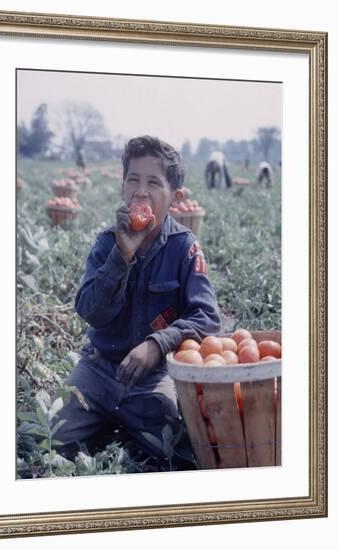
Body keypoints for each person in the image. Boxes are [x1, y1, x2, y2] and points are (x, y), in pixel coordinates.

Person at [56, 135, 221, 468]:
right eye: (133, 179)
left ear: (174, 198)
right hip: (98, 368)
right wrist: (122, 255)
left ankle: (124, 426)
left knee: (178, 447)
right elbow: (89, 311)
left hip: (152, 378)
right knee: (53, 437)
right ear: (122, 188)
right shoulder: (106, 243)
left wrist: (159, 344)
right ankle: (106, 424)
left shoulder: (184, 248)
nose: (141, 191)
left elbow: (207, 317)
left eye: (153, 183)